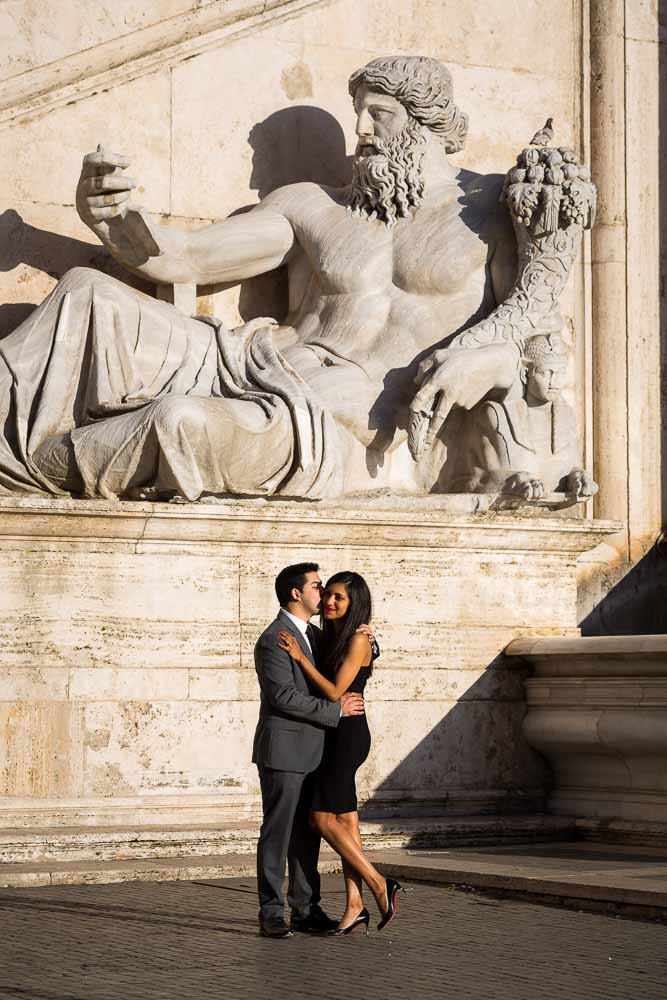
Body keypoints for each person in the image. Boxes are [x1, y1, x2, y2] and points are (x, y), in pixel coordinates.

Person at [0, 55, 518, 500]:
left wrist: (489, 361)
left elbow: (530, 328)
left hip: (328, 417)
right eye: (358, 113)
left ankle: (39, 467)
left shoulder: (491, 212)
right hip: (246, 359)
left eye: (378, 115)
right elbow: (189, 259)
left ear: (425, 122)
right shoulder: (314, 204)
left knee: (181, 421)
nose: (361, 130)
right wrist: (112, 219)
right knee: (87, 295)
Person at [277, 571, 403, 935]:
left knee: (320, 820)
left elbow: (334, 692)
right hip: (332, 735)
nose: (329, 602)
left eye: (339, 599)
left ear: (355, 604)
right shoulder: (334, 635)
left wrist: (300, 659)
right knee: (346, 822)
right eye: (328, 595)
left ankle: (380, 885)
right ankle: (354, 905)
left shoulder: (358, 640)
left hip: (345, 737)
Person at [252, 561, 366, 939]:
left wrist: (363, 634)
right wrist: (334, 710)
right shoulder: (274, 638)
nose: (324, 593)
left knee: (306, 835)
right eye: (318, 586)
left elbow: (345, 662)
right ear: (296, 593)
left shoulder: (315, 636)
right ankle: (271, 911)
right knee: (279, 832)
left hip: (317, 750)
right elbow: (282, 696)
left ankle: (305, 908)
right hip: (283, 749)